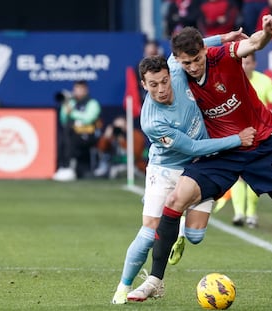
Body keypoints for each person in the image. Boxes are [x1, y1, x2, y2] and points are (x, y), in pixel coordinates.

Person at [129, 14, 272, 306]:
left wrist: (266, 33)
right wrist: (234, 140)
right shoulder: (176, 71)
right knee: (175, 200)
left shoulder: (222, 57)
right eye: (186, 63)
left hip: (262, 144)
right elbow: (173, 68)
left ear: (204, 51)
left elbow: (251, 44)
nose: (192, 67)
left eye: (196, 60)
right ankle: (155, 280)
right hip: (222, 151)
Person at [112, 31, 255, 305]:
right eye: (153, 85)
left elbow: (196, 49)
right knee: (147, 233)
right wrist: (236, 140)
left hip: (200, 165)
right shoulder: (151, 121)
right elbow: (190, 147)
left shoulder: (177, 70)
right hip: (166, 168)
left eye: (164, 81)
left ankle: (181, 223)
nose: (162, 89)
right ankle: (124, 286)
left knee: (196, 236)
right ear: (144, 85)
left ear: (170, 73)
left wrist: (226, 37)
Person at [229, 52, 272, 228]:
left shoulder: (264, 81)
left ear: (254, 64)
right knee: (237, 175)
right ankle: (238, 213)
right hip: (237, 134)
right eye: (242, 62)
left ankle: (251, 214)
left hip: (259, 135)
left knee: (253, 176)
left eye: (249, 63)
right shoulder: (231, 81)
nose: (245, 66)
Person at [53, 80, 102, 181]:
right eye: (76, 89)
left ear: (85, 90)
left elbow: (88, 118)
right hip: (72, 134)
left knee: (71, 135)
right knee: (65, 133)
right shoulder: (71, 102)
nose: (78, 91)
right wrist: (65, 105)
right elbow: (63, 120)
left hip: (88, 134)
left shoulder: (92, 103)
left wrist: (73, 113)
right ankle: (64, 166)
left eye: (80, 89)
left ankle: (70, 166)